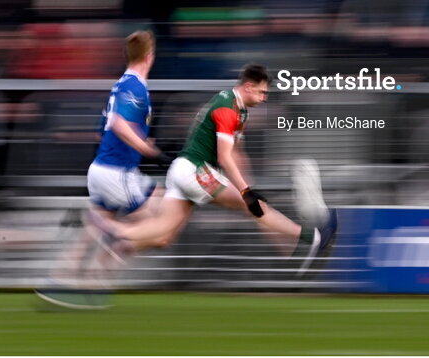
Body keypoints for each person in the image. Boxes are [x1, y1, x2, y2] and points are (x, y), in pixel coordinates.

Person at [94, 63, 337, 276]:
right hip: (194, 172)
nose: (265, 98)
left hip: (183, 171)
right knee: (253, 207)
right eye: (262, 92)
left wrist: (247, 186)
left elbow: (236, 153)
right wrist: (245, 192)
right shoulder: (228, 108)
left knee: (163, 233)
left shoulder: (237, 109)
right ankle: (312, 238)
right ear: (248, 86)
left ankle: (115, 234)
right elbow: (224, 155)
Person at [36, 29, 171, 309]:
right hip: (116, 173)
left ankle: (59, 281)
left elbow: (104, 132)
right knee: (160, 230)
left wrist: (139, 142)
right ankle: (99, 273)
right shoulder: (134, 87)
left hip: (102, 170)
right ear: (150, 55)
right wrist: (148, 150)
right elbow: (120, 125)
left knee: (93, 234)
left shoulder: (120, 85)